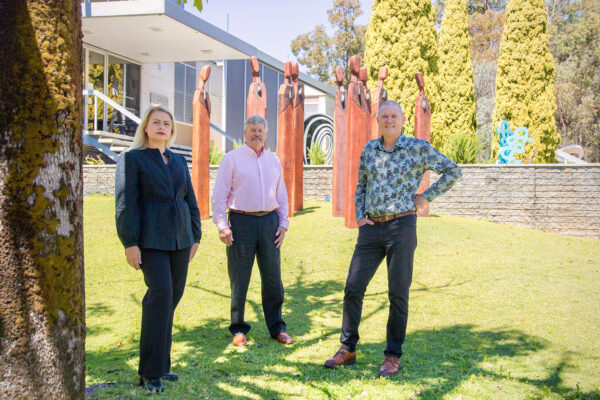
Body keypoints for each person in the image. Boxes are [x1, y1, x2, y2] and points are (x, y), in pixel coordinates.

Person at [324, 100, 462, 376]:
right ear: (378, 119)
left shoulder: (417, 148)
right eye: (384, 116)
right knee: (353, 285)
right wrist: (359, 215)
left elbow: (453, 170)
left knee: (398, 292)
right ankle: (347, 348)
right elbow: (361, 184)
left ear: (401, 120)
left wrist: (426, 196)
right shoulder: (369, 149)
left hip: (402, 227)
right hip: (371, 229)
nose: (389, 120)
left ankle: (392, 355)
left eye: (394, 116)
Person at [115, 104, 201, 393]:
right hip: (150, 241)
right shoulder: (132, 159)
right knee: (160, 295)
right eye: (156, 122)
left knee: (171, 299)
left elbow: (189, 200)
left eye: (166, 122)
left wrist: (196, 236)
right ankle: (148, 373)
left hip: (181, 240)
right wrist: (130, 243)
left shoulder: (178, 161)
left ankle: (162, 366)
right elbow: (126, 204)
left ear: (172, 129)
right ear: (146, 127)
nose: (161, 126)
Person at [211, 115, 292, 347]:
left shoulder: (274, 160)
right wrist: (222, 226)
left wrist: (283, 223)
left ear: (265, 134)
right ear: (244, 134)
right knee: (239, 278)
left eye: (261, 131)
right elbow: (219, 196)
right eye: (253, 130)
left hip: (269, 224)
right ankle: (238, 329)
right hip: (241, 223)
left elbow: (281, 194)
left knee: (273, 279)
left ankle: (277, 327)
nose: (257, 134)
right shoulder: (231, 159)